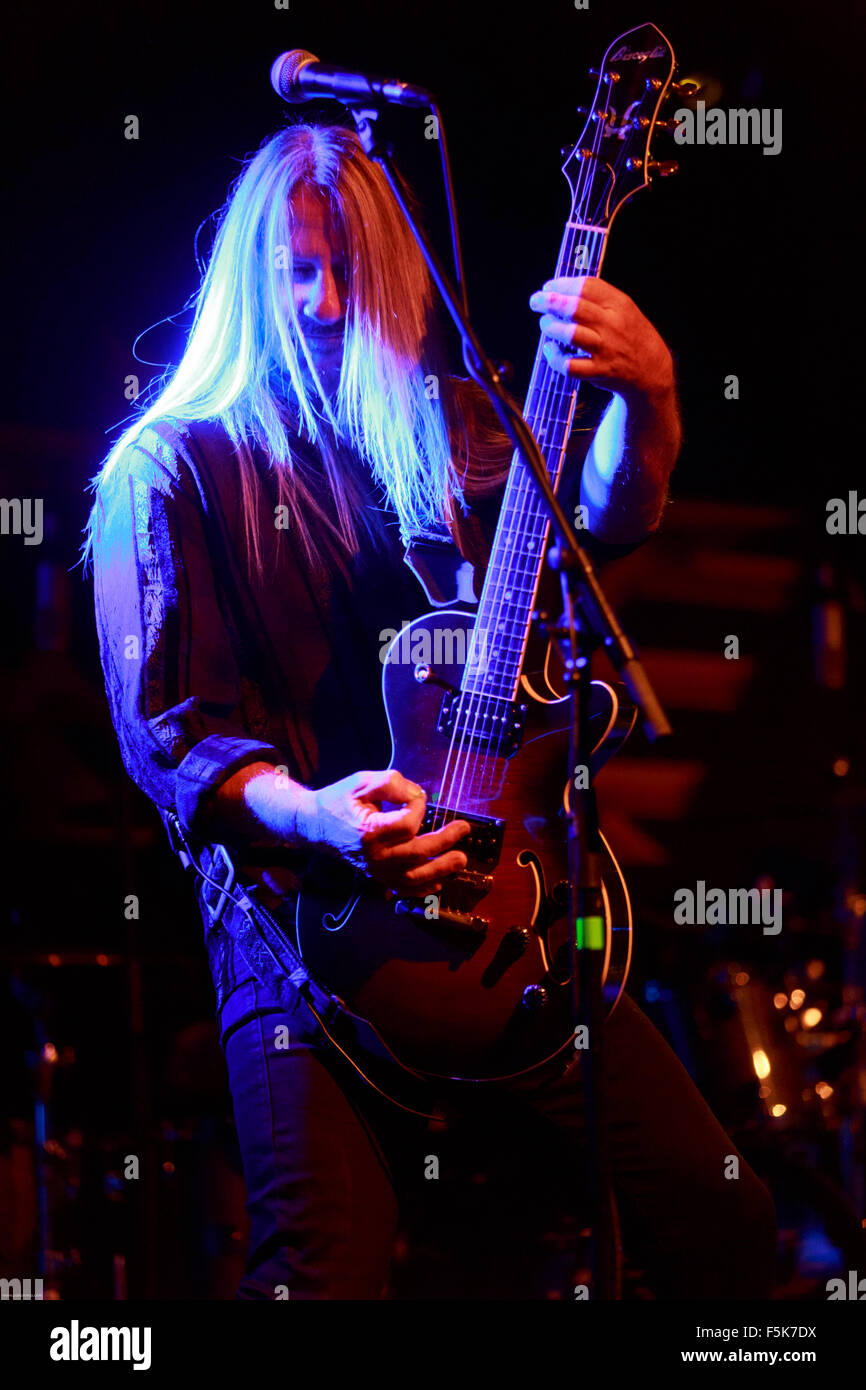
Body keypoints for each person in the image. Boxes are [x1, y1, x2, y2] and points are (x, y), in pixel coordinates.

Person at [85, 121, 776, 1299]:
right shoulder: (171, 467)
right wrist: (315, 812)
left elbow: (590, 528)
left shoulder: (453, 428)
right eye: (296, 268)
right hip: (300, 943)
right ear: (248, 274)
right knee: (321, 1274)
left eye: (351, 266)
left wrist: (649, 399)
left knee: (724, 1226)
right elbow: (169, 735)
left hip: (498, 922)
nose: (322, 298)